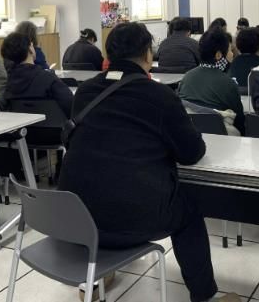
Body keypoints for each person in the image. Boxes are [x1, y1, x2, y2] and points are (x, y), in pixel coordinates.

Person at [58, 23, 240, 302]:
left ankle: (92, 283)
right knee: (188, 209)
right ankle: (205, 296)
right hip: (132, 220)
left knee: (102, 188)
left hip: (76, 218)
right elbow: (191, 153)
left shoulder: (85, 92)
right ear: (147, 54)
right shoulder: (160, 95)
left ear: (108, 54)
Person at [178, 29, 245, 135]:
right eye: (229, 50)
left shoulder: (186, 77)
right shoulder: (228, 83)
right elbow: (240, 122)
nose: (232, 54)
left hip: (190, 135)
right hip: (222, 138)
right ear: (218, 55)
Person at [1, 32, 73, 119]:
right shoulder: (48, 78)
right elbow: (71, 105)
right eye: (32, 45)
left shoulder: (8, 83)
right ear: (30, 49)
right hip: (54, 126)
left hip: (21, 126)